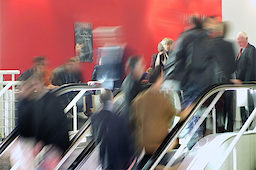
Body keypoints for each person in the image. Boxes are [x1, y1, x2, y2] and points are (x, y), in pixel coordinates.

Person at [12, 73, 70, 169]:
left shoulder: (49, 101)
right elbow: (24, 126)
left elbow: (55, 125)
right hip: (39, 145)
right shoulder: (27, 102)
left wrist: (41, 143)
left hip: (53, 146)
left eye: (33, 85)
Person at [131, 66, 176, 167]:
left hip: (144, 149)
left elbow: (134, 122)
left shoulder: (139, 99)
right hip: (161, 149)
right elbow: (172, 118)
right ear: (160, 79)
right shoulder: (164, 99)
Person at [91, 89, 136, 169]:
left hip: (104, 160)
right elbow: (127, 143)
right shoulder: (120, 120)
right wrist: (132, 157)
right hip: (118, 161)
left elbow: (95, 138)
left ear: (101, 101)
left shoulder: (94, 118)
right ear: (112, 100)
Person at [233, 32, 256, 126]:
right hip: (240, 84)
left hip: (247, 83)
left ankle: (248, 124)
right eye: (238, 39)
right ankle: (244, 124)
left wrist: (245, 83)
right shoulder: (241, 51)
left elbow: (251, 68)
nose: (239, 41)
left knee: (249, 105)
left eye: (241, 39)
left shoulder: (251, 50)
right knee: (242, 104)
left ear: (246, 39)